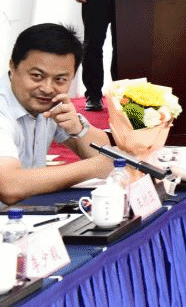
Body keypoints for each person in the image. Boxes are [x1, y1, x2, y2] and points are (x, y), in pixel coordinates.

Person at [0, 24, 113, 204]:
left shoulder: (53, 103)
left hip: (26, 211)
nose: (47, 88)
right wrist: (91, 168)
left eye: (60, 79)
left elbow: (106, 155)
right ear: (13, 66)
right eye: (37, 76)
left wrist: (78, 129)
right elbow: (9, 185)